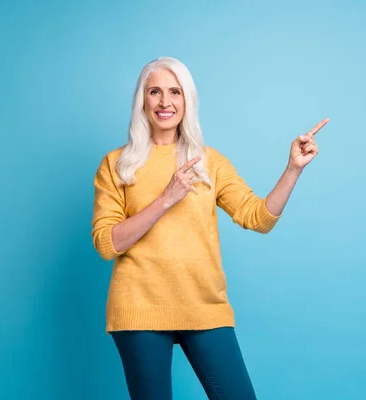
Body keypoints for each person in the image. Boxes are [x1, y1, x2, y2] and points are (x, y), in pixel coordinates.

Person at [91, 56, 328, 400]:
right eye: (154, 91)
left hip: (204, 304)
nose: (165, 102)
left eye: (175, 92)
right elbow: (106, 243)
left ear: (187, 100)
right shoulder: (117, 164)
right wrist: (164, 199)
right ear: (142, 99)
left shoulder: (209, 161)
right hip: (139, 308)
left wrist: (293, 169)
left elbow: (257, 218)